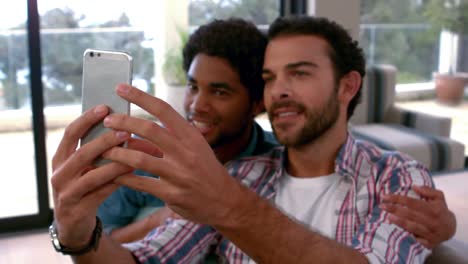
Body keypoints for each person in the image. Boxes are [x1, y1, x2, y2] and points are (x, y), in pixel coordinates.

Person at [50, 16, 456, 263]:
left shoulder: (395, 176)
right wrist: (77, 234)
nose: (277, 90)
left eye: (298, 73)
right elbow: (146, 259)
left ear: (347, 85)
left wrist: (227, 204)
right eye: (269, 77)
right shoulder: (243, 173)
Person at [96, 18, 277, 243]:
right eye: (193, 87)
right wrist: (158, 219)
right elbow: (95, 242)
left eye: (220, 92)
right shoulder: (144, 155)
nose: (196, 106)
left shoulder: (279, 164)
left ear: (258, 103)